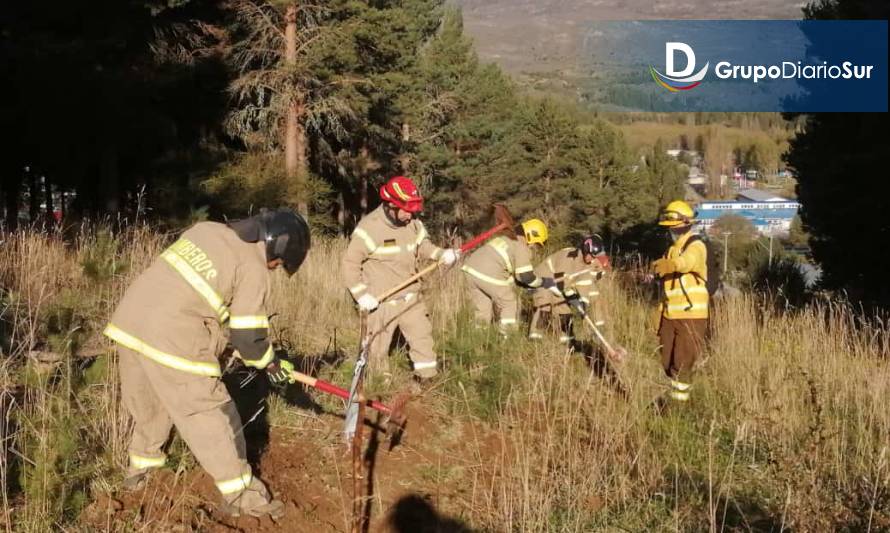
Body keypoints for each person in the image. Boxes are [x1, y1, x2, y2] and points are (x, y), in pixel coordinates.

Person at [103, 208, 310, 517]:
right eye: (279, 263)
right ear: (276, 247)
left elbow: (196, 292)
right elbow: (249, 339)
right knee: (210, 412)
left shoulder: (207, 231)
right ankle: (243, 497)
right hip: (174, 334)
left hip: (130, 322)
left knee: (152, 407)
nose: (275, 268)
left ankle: (141, 474)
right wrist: (272, 363)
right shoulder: (253, 267)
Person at [341, 176, 459, 382]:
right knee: (376, 348)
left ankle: (428, 381)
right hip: (381, 300)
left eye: (413, 211)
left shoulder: (413, 224)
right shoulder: (369, 228)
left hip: (411, 295)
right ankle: (380, 388)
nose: (410, 215)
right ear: (390, 206)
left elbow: (423, 246)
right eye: (406, 210)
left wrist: (441, 254)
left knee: (423, 338)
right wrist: (361, 295)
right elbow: (350, 264)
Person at [651, 200, 709, 405]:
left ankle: (677, 408)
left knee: (682, 364)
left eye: (673, 228)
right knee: (667, 362)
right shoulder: (670, 251)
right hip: (670, 316)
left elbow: (688, 262)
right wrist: (659, 313)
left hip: (691, 316)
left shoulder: (696, 245)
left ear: (684, 225)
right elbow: (667, 289)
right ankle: (672, 397)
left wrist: (672, 265)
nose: (671, 232)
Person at [461, 218, 556, 335]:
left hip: (470, 270)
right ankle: (507, 339)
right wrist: (545, 282)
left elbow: (517, 276)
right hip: (488, 272)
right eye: (536, 243)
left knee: (483, 309)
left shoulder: (507, 238)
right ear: (531, 236)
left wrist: (526, 286)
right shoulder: (521, 246)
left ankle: (479, 342)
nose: (534, 247)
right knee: (509, 302)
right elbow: (526, 277)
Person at [529, 234, 610, 344]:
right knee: (545, 302)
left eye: (594, 256)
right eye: (591, 255)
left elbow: (584, 285)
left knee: (564, 308)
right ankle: (535, 335)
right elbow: (561, 282)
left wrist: (582, 303)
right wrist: (573, 298)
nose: (592, 258)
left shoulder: (589, 264)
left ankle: (566, 339)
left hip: (559, 283)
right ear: (585, 249)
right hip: (542, 279)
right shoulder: (569, 256)